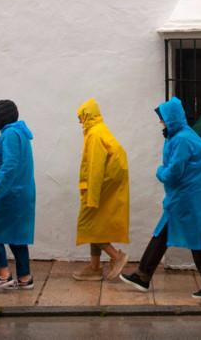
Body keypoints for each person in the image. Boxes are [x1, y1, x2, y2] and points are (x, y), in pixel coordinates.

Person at [120, 97, 201, 300]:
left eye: (163, 118)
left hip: (188, 199)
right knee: (164, 234)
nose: (160, 122)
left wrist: (159, 171)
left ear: (171, 119)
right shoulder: (181, 136)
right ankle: (143, 275)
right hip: (187, 197)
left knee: (196, 239)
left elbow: (173, 173)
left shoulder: (182, 139)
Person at [0, 99, 36, 293]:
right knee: (16, 237)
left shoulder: (10, 134)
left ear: (0, 117)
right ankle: (25, 278)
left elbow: (10, 166)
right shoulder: (17, 132)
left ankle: (3, 275)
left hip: (10, 195)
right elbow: (12, 159)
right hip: (21, 194)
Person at [72, 98, 130, 281]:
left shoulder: (95, 134)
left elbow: (95, 167)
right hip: (109, 185)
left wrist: (93, 196)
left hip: (101, 186)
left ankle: (116, 256)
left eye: (80, 117)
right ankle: (95, 268)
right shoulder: (100, 129)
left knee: (87, 224)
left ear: (86, 116)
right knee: (96, 224)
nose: (79, 121)